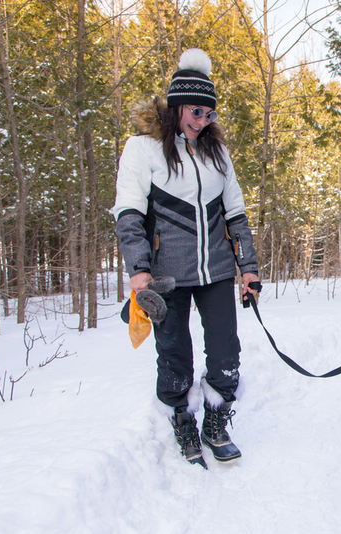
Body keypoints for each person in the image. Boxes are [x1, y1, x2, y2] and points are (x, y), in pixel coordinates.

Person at [113, 48, 259, 468]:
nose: (203, 120)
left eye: (210, 113)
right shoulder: (142, 149)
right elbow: (129, 215)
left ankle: (215, 420)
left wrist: (247, 267)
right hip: (165, 277)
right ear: (177, 105)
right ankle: (182, 418)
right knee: (175, 357)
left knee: (226, 354)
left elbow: (235, 214)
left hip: (214, 271)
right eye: (196, 111)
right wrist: (139, 272)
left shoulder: (217, 154)